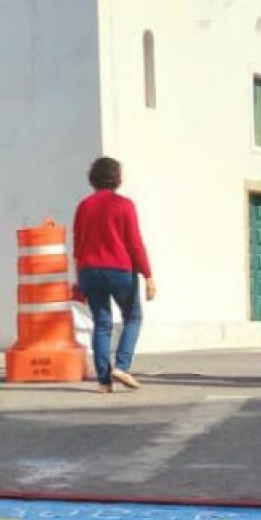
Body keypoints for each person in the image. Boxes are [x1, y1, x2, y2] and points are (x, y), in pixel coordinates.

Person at [71, 157, 155, 393]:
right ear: (117, 177)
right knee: (133, 317)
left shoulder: (84, 206)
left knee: (102, 322)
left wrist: (79, 277)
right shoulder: (124, 205)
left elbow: (78, 244)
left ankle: (104, 381)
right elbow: (134, 243)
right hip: (119, 267)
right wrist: (148, 275)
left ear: (93, 177)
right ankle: (122, 365)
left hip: (90, 269)